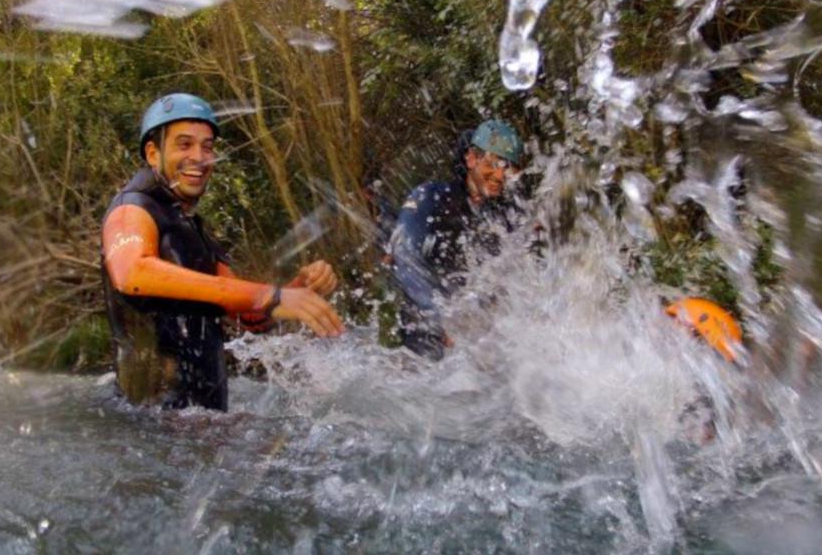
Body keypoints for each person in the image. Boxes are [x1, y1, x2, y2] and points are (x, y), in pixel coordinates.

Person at [101, 93, 344, 411]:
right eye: (184, 145)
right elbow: (131, 273)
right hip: (153, 422)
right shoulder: (131, 209)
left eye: (207, 146)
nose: (200, 157)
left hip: (198, 419)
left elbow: (249, 318)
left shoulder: (193, 229)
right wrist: (269, 296)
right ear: (152, 153)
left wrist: (296, 290)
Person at [388, 119, 525, 360]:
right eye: (494, 163)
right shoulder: (432, 197)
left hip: (478, 336)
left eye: (508, 167)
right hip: (427, 327)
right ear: (471, 158)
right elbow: (404, 255)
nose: (501, 175)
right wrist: (439, 317)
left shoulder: (506, 216)